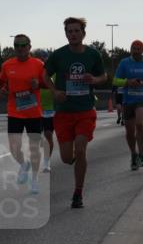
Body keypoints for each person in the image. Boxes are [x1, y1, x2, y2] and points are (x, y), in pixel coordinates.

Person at [42, 17, 107, 209]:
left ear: (83, 33)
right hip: (63, 113)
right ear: (66, 34)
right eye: (69, 31)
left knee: (80, 148)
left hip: (85, 110)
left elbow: (104, 76)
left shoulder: (93, 54)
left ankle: (78, 192)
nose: (72, 34)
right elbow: (45, 74)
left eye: (76, 31)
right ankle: (78, 163)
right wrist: (55, 92)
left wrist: (94, 79)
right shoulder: (59, 55)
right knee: (65, 157)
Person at [0, 35, 45, 196]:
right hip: (15, 111)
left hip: (33, 112)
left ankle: (35, 180)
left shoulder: (38, 64)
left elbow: (46, 83)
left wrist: (38, 84)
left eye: (23, 45)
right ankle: (23, 164)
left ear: (29, 47)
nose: (20, 48)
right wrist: (3, 90)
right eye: (17, 45)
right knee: (14, 146)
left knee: (34, 148)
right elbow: (1, 83)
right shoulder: (7, 65)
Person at [112, 40, 143, 171]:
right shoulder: (124, 63)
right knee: (130, 132)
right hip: (128, 100)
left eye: (138, 48)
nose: (136, 50)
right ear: (130, 49)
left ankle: (141, 154)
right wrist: (127, 82)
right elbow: (115, 80)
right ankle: (133, 154)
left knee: (140, 124)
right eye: (133, 48)